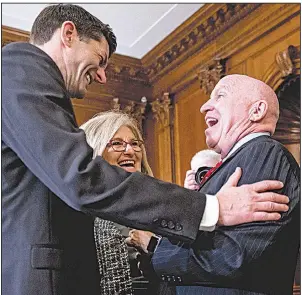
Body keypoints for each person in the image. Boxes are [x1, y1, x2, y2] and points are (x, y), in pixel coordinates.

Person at [1, 3, 289, 295]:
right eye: (100, 60)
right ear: (68, 34)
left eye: (135, 143)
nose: (102, 76)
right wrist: (212, 206)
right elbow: (80, 177)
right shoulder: (19, 67)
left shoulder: (264, 153)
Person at [127, 74, 300, 295]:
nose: (204, 107)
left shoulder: (264, 152)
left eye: (220, 96)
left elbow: (237, 257)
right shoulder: (239, 160)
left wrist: (156, 248)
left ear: (256, 111)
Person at [80, 111, 156, 294]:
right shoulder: (77, 212)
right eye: (117, 144)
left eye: (134, 144)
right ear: (95, 150)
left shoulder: (158, 207)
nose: (129, 151)